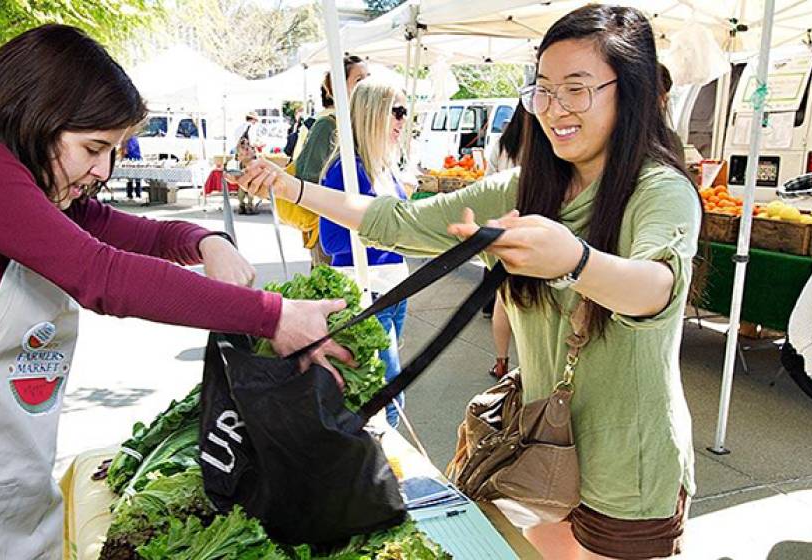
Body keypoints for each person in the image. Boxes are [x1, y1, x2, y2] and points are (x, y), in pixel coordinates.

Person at [235, 5, 700, 559]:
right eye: (543, 91)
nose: (554, 110)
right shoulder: (529, 186)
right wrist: (292, 188)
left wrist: (573, 261)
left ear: (636, 92)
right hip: (541, 451)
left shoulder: (660, 189)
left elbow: (657, 288)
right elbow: (401, 221)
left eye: (576, 90)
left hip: (629, 467)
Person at [0, 24, 352, 558]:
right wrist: (271, 314)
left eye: (114, 150)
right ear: (32, 116)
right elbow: (105, 276)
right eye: (93, 147)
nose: (103, 170)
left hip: (11, 489)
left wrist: (207, 239)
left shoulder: (47, 200)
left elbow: (152, 235)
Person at [318, 77, 410, 429]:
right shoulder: (347, 169)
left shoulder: (384, 166)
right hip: (366, 293)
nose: (403, 120)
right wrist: (384, 229)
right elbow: (332, 242)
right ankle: (383, 473)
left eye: (405, 111)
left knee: (385, 391)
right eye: (396, 111)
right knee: (387, 399)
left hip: (394, 290)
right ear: (373, 114)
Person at [287, 55, 369, 268]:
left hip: (358, 230)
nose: (367, 85)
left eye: (368, 77)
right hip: (331, 234)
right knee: (331, 293)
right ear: (338, 88)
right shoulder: (327, 125)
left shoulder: (359, 125)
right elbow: (306, 178)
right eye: (359, 79)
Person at [483, 103, 527, 379]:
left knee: (504, 301)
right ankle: (533, 369)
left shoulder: (502, 144)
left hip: (504, 230)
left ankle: (501, 362)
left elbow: (487, 185)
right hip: (539, 231)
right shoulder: (547, 143)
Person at [235, 134, 259, 214]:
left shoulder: (239, 150)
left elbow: (238, 159)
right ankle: (247, 206)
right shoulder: (249, 150)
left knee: (245, 188)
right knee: (247, 189)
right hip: (247, 171)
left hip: (246, 172)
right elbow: (255, 158)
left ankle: (244, 206)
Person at [120, 132, 143, 199]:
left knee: (130, 178)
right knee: (136, 178)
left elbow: (126, 152)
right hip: (136, 160)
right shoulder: (134, 139)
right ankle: (137, 194)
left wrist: (123, 156)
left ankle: (130, 194)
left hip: (131, 160)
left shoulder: (128, 140)